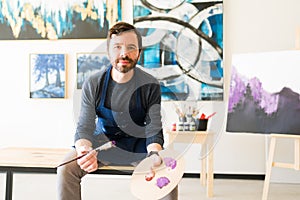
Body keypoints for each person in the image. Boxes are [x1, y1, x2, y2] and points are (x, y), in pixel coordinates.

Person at [57, 22, 178, 200]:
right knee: (66, 168)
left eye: (131, 47)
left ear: (139, 53)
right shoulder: (94, 83)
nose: (124, 53)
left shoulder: (150, 85)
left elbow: (154, 127)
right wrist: (84, 150)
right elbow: (84, 125)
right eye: (117, 47)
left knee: (166, 174)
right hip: (101, 145)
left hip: (139, 147)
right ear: (109, 51)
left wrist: (154, 155)